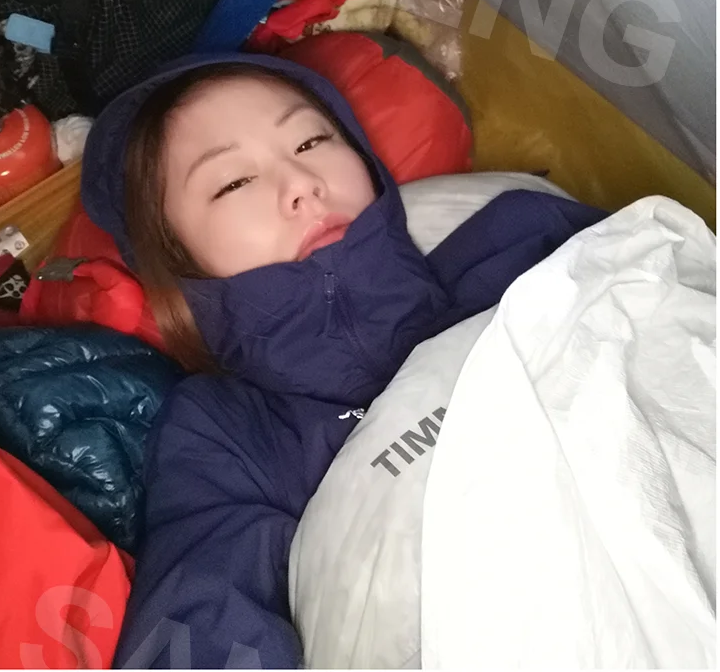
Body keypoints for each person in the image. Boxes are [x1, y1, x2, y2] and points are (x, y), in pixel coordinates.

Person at [81, 50, 604, 669]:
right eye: (233, 182)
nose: (302, 184)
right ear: (180, 260)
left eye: (310, 142)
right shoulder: (228, 434)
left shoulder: (522, 239)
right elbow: (204, 616)